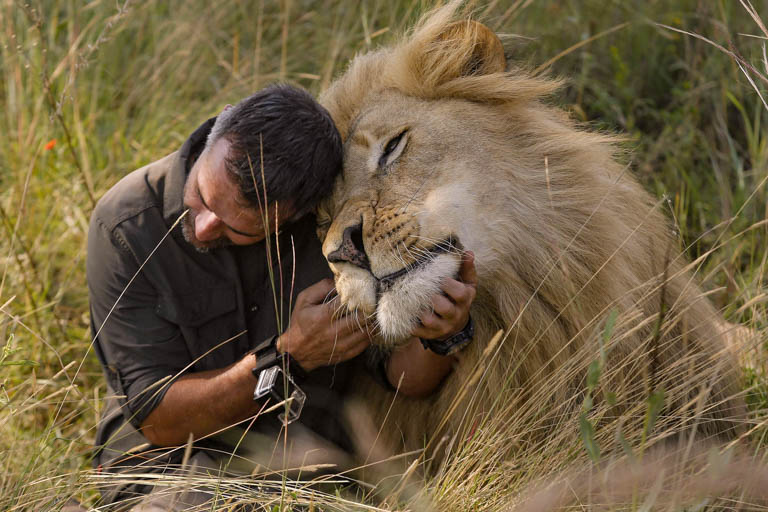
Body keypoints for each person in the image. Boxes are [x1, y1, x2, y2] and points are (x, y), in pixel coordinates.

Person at [87, 83, 477, 510]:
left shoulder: (330, 233)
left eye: (237, 229)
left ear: (295, 215)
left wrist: (440, 334)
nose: (202, 228)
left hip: (304, 475)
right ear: (221, 125)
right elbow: (158, 420)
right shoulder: (126, 226)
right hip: (166, 469)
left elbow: (403, 380)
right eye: (201, 195)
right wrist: (288, 357)